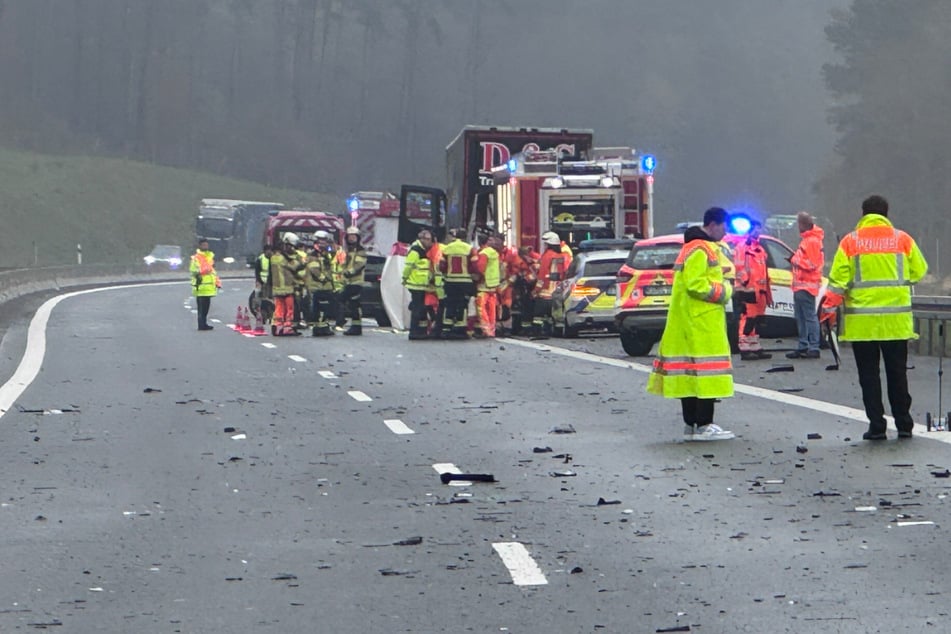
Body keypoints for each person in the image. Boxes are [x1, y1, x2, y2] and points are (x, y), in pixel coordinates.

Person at [821, 195, 928, 440]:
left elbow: (838, 282)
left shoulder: (850, 242)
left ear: (863, 214)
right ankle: (904, 423)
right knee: (897, 374)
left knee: (869, 376)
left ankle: (877, 426)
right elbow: (919, 271)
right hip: (896, 323)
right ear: (886, 214)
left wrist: (828, 309)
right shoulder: (902, 239)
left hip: (863, 324)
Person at [647, 207, 735, 441]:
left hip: (692, 320)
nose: (726, 232)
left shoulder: (694, 247)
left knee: (691, 376)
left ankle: (692, 425)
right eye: (724, 226)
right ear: (714, 224)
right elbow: (696, 284)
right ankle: (704, 424)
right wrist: (725, 290)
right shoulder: (701, 249)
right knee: (706, 375)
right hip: (702, 321)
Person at [787, 211, 825, 359]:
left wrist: (794, 261)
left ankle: (812, 346)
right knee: (802, 317)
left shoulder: (812, 241)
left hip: (806, 285)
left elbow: (812, 264)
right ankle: (804, 345)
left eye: (798, 224)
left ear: (803, 224)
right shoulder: (809, 240)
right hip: (801, 285)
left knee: (808, 317)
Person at [733, 220, 772, 360]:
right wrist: (745, 282)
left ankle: (754, 346)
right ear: (749, 231)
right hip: (748, 289)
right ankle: (744, 347)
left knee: (756, 319)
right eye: (755, 229)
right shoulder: (743, 247)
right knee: (747, 318)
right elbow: (739, 267)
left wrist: (767, 290)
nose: (757, 232)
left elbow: (764, 271)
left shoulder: (760, 249)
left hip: (759, 289)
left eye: (759, 229)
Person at [440, 228, 476, 339]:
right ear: (465, 237)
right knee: (462, 304)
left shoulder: (447, 248)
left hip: (450, 281)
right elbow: (474, 265)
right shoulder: (470, 249)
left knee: (449, 303)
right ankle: (460, 328)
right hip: (465, 281)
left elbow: (442, 265)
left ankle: (446, 328)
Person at [532, 232, 570, 337]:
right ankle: (557, 331)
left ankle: (538, 332)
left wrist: (536, 289)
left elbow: (543, 274)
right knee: (556, 313)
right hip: (558, 290)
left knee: (538, 316)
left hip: (546, 291)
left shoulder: (547, 256)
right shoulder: (562, 256)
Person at [402, 229, 435, 340]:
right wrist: (404, 278)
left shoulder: (423, 250)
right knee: (418, 309)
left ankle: (421, 331)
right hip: (416, 284)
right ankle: (414, 332)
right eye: (429, 240)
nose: (430, 243)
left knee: (420, 308)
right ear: (422, 239)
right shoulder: (416, 250)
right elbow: (408, 266)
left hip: (421, 284)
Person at [270, 233, 305, 336]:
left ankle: (277, 327)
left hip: (277, 289)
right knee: (289, 310)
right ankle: (287, 328)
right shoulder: (285, 259)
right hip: (288, 289)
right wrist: (301, 261)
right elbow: (295, 267)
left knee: (279, 310)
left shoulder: (275, 258)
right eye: (291, 246)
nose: (293, 249)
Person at [305, 230, 338, 336]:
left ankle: (323, 327)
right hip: (317, 286)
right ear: (316, 241)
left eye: (325, 241)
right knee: (318, 308)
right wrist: (324, 278)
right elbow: (314, 270)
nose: (323, 243)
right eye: (321, 241)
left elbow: (333, 256)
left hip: (326, 286)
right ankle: (319, 328)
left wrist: (332, 245)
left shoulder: (325, 254)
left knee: (326, 308)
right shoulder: (312, 254)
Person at [337, 226, 367, 335]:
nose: (351, 238)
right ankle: (354, 326)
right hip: (348, 282)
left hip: (356, 282)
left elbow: (359, 265)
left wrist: (349, 272)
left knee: (350, 302)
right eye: (350, 236)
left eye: (354, 236)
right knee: (352, 304)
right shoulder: (347, 250)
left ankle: (351, 325)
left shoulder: (360, 250)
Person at [473, 233, 501, 338]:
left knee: (481, 308)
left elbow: (480, 269)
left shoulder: (484, 253)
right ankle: (492, 330)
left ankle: (486, 330)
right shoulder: (494, 252)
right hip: (493, 285)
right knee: (492, 309)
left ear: (479, 242)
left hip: (484, 285)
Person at [190, 238, 220, 331]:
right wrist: (205, 271)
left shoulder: (210, 256)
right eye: (203, 245)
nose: (205, 247)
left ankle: (204, 323)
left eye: (206, 245)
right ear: (200, 246)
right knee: (201, 308)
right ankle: (201, 324)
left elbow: (213, 271)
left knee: (206, 307)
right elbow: (193, 270)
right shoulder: (196, 258)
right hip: (200, 285)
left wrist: (217, 282)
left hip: (209, 286)